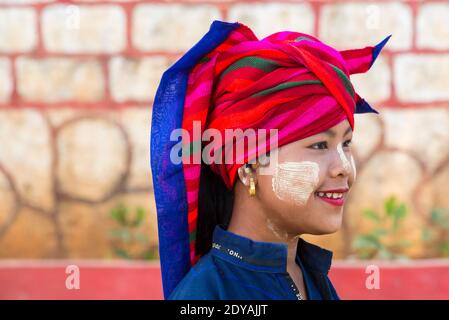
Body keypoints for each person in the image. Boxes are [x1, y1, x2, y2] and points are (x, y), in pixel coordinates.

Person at [150, 20, 390, 300]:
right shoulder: (207, 294)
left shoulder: (310, 277)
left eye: (346, 143)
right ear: (249, 166)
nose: (344, 168)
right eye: (319, 145)